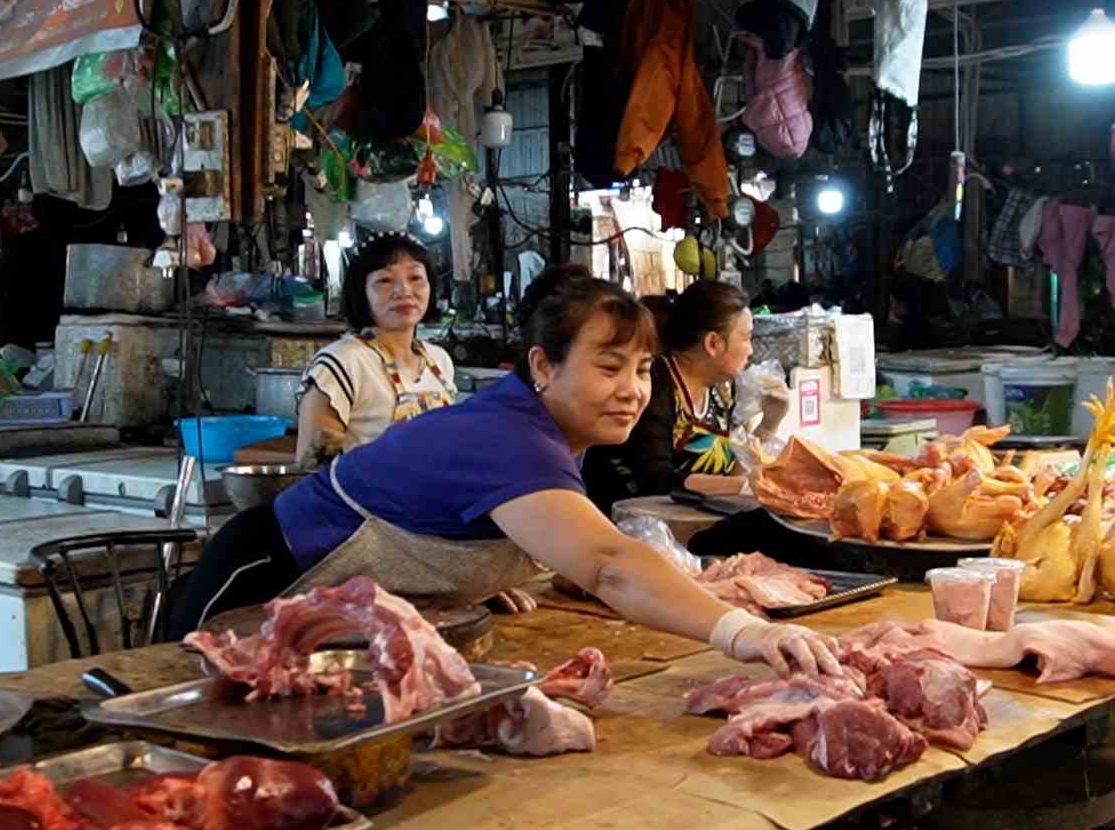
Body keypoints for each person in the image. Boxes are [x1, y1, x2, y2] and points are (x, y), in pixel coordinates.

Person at [168, 266, 842, 677]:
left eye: (640, 370)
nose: (634, 391)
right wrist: (740, 631)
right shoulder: (509, 435)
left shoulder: (546, 429)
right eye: (608, 368)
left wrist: (474, 573)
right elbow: (607, 564)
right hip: (265, 574)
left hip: (337, 616)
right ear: (543, 367)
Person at [584, 280, 789, 511]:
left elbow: (733, 473)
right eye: (746, 338)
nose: (751, 350)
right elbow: (656, 481)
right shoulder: (656, 383)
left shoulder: (722, 392)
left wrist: (769, 424)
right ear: (713, 343)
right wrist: (741, 487)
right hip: (627, 525)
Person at [294, 232, 457, 467]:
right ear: (362, 293)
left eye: (415, 278)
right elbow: (310, 467)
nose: (404, 291)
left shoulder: (439, 360)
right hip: (363, 503)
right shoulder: (342, 362)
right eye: (385, 280)